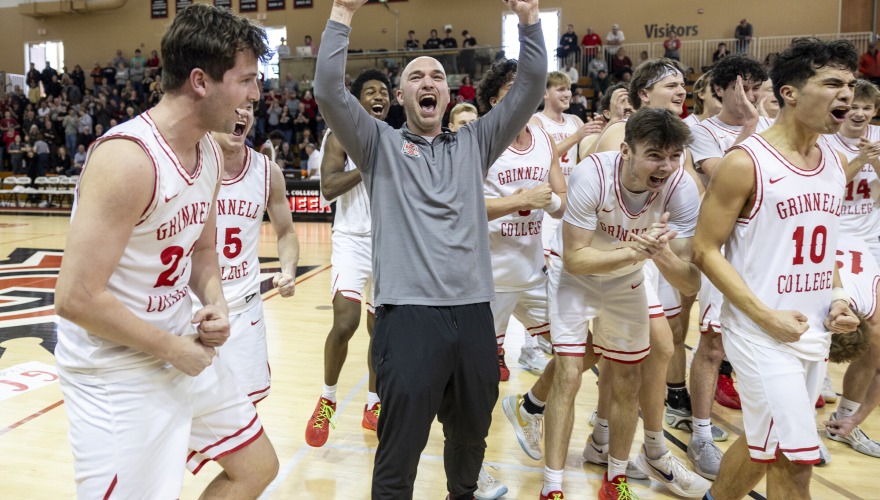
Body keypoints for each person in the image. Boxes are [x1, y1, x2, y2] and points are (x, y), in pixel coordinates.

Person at [313, 0, 546, 497]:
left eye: (436, 76)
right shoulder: (377, 144)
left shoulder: (475, 142)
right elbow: (328, 90)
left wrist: (528, 20)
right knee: (399, 454)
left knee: (469, 446)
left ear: (448, 93)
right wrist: (341, 14)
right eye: (416, 76)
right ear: (401, 95)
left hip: (474, 316)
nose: (427, 82)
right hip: (410, 318)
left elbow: (530, 86)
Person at [52, 4, 278, 498]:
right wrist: (173, 350)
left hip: (176, 344)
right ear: (201, 81)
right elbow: (74, 298)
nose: (255, 94)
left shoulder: (211, 153)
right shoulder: (128, 160)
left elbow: (201, 251)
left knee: (256, 467)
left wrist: (214, 300)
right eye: (245, 80)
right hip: (114, 367)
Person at [695, 37, 860, 500]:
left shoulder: (835, 158)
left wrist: (840, 297)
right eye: (832, 84)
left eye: (850, 84)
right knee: (796, 460)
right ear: (789, 93)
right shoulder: (745, 163)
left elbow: (824, 247)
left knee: (762, 442)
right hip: (758, 332)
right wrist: (764, 315)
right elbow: (704, 249)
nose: (847, 95)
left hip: (811, 331)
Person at [539, 108, 704, 499]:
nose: (666, 166)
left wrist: (659, 254)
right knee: (569, 373)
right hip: (575, 278)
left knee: (629, 378)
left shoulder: (681, 188)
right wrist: (636, 248)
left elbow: (690, 281)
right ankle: (552, 486)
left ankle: (615, 480)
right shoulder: (592, 174)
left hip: (626, 279)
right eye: (655, 155)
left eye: (674, 155)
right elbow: (577, 259)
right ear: (626, 151)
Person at [686, 53, 771, 480]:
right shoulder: (702, 132)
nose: (752, 96)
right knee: (713, 345)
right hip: (724, 249)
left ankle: (772, 436)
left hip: (768, 253)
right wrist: (753, 129)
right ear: (719, 89)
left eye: (757, 87)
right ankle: (701, 431)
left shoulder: (777, 129)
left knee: (766, 343)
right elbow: (723, 180)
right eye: (743, 87)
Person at [307, 69, 391, 449]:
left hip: (389, 243)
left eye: (384, 91)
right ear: (357, 100)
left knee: (382, 331)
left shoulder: (396, 136)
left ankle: (373, 404)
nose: (379, 95)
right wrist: (367, 165)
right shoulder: (340, 134)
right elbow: (327, 188)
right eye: (370, 90)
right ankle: (327, 399)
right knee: (346, 322)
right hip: (352, 241)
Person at [201, 102, 299, 404]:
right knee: (190, 417)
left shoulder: (267, 172)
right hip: (195, 308)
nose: (240, 113)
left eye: (247, 107)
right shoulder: (190, 166)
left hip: (244, 310)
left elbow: (286, 232)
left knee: (245, 411)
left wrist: (288, 271)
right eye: (231, 106)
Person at [479, 59, 564, 381]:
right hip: (489, 278)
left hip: (532, 273)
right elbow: (464, 207)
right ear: (494, 101)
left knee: (576, 348)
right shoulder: (482, 140)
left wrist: (550, 201)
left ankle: (529, 407)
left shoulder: (543, 139)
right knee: (480, 375)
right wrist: (523, 200)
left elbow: (562, 202)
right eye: (512, 89)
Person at [529, 71, 603, 258]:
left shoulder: (575, 120)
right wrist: (576, 137)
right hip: (548, 200)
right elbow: (543, 158)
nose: (567, 93)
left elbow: (591, 156)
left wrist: (602, 131)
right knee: (546, 258)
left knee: (569, 257)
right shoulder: (536, 121)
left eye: (569, 89)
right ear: (545, 94)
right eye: (561, 89)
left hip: (573, 198)